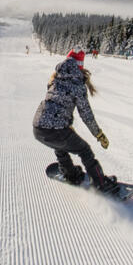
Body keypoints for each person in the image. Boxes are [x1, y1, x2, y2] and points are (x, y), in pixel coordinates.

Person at [32, 50, 119, 193]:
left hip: (37, 128)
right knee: (84, 150)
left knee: (59, 144)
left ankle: (70, 173)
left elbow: (54, 104)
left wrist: (65, 125)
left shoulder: (55, 78)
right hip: (56, 129)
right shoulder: (77, 85)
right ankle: (100, 183)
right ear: (80, 65)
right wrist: (98, 134)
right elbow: (86, 115)